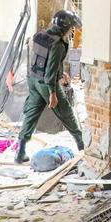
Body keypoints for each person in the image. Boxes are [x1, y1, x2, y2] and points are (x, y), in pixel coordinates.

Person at [15, 10, 84, 164]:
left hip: (33, 80)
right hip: (47, 84)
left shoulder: (42, 36)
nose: (71, 31)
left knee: (31, 116)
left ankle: (20, 153)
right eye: (71, 27)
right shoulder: (58, 44)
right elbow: (50, 72)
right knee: (66, 113)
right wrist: (52, 93)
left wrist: (61, 73)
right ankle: (82, 147)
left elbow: (44, 61)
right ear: (65, 27)